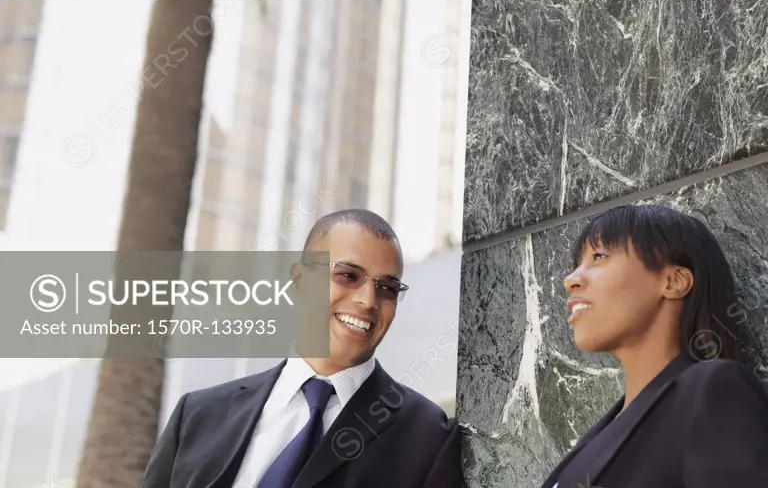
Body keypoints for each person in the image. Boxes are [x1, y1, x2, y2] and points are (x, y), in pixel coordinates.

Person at [141, 208, 462, 488]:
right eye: (348, 275)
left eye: (388, 288)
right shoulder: (197, 414)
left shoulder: (429, 438)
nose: (368, 300)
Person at [540, 203, 768, 488]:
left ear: (673, 281)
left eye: (599, 256)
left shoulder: (712, 389)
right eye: (577, 263)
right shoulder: (607, 428)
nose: (570, 280)